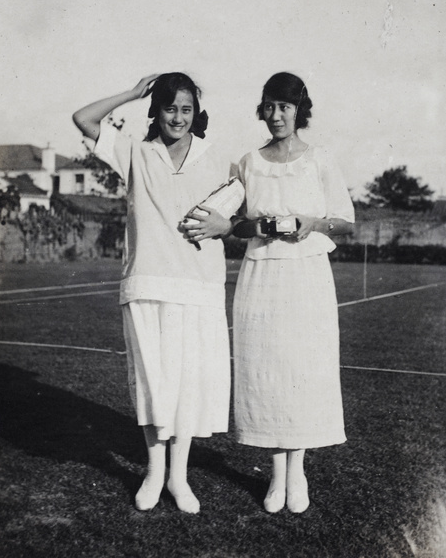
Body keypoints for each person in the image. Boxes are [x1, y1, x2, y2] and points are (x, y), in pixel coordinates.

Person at [72, 73, 233, 514]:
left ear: (196, 112)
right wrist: (131, 91)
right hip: (146, 284)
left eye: (186, 109)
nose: (178, 117)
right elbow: (83, 118)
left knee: (186, 389)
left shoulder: (218, 158)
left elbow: (239, 213)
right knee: (154, 384)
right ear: (155, 110)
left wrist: (227, 226)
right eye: (169, 108)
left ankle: (179, 478)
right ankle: (154, 472)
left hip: (199, 288)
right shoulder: (135, 152)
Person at [232, 72, 355, 514]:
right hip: (261, 274)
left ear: (299, 110)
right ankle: (276, 472)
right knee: (266, 368)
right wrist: (260, 225)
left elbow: (344, 219)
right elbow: (235, 223)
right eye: (270, 106)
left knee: (301, 367)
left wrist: (313, 223)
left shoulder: (319, 159)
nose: (277, 115)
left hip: (306, 275)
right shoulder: (248, 162)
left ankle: (296, 471)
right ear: (262, 108)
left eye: (285, 107)